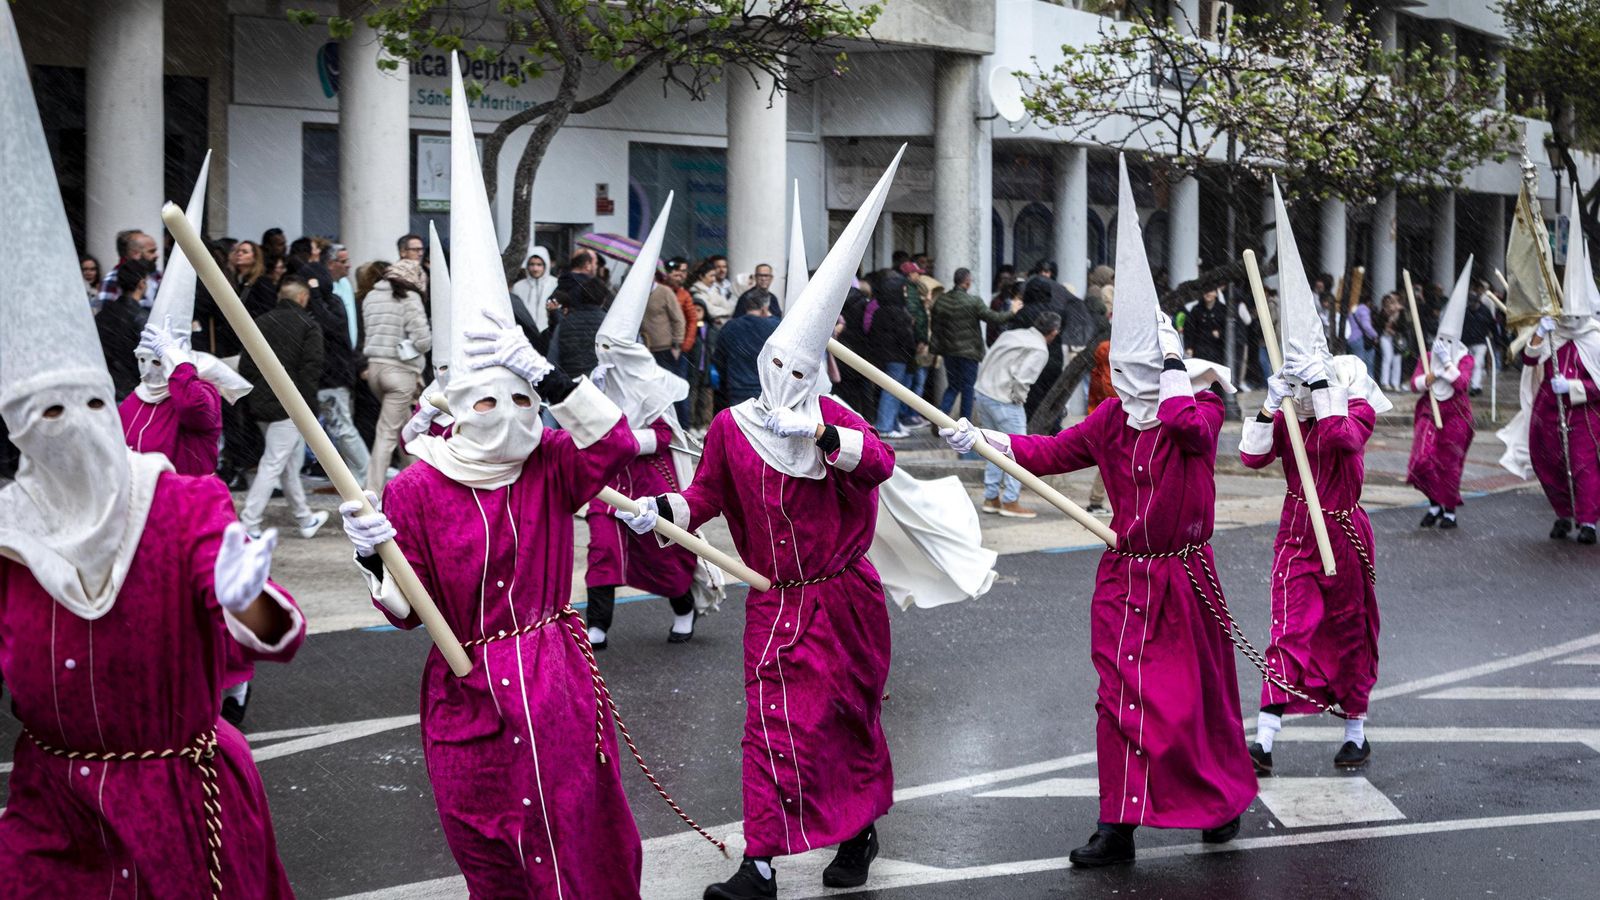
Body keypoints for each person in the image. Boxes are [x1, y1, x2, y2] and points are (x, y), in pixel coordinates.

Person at [0, 12, 306, 888]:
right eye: (44, 414)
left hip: (175, 796)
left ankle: (230, 693)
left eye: (86, 403)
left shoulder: (179, 500)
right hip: (52, 806)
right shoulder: (13, 530)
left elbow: (279, 623)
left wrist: (243, 600)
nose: (74, 426)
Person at [340, 63, 652, 894]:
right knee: (491, 846)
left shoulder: (549, 463)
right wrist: (375, 561)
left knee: (577, 831)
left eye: (521, 398)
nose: (509, 413)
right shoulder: (414, 489)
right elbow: (409, 616)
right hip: (466, 691)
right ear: (451, 405)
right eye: (490, 397)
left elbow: (616, 442)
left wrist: (548, 377)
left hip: (555, 675)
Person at [942, 157, 1253, 868]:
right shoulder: (1112, 421)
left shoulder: (1195, 408)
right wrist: (983, 440)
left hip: (1184, 577)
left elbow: (1195, 435)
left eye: (1151, 364)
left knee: (1188, 704)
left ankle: (1220, 800)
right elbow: (1047, 453)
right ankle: (1119, 822)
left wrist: (1178, 375)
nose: (1136, 378)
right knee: (1120, 700)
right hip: (1124, 575)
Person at [617, 151, 904, 899]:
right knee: (774, 727)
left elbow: (879, 465)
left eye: (801, 374)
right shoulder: (734, 428)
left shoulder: (835, 421)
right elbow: (705, 496)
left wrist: (819, 437)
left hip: (845, 600)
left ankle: (858, 827)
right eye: (779, 365)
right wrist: (661, 513)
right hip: (775, 600)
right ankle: (762, 862)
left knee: (846, 723)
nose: (786, 382)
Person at [1240, 181, 1385, 775]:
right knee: (1290, 628)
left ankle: (1355, 729)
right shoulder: (1293, 411)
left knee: (1352, 632)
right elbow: (1252, 459)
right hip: (1298, 531)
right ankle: (1265, 739)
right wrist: (1271, 404)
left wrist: (1324, 394)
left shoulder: (1354, 405)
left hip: (1347, 533)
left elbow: (1343, 441)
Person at [583, 199, 708, 649]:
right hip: (607, 481)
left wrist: (619, 441)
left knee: (665, 555)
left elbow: (662, 436)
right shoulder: (597, 382)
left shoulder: (650, 385)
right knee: (602, 551)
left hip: (649, 478)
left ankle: (683, 607)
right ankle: (598, 625)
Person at [237, 279, 331, 540]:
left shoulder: (261, 322)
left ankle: (305, 519)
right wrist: (307, 408)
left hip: (262, 402)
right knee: (275, 463)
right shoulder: (309, 325)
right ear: (302, 297)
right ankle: (249, 522)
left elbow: (246, 365)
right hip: (291, 404)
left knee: (287, 463)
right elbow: (311, 369)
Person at [1408, 261, 1477, 529]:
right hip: (1429, 410)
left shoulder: (1465, 358)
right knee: (1424, 459)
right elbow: (1414, 385)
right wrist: (1430, 375)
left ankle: (1448, 510)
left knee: (1450, 462)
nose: (1445, 343)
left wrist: (1448, 364)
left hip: (1457, 414)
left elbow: (1462, 383)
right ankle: (1433, 503)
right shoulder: (1428, 356)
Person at [971, 312, 1058, 518]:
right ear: (1053, 332)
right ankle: (1010, 500)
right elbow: (1022, 379)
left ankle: (991, 496)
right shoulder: (1039, 348)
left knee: (992, 448)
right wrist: (1020, 398)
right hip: (1005, 400)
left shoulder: (1012, 334)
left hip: (983, 392)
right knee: (1017, 451)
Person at [361, 258, 432, 494]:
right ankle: (372, 493)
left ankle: (416, 486)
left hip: (374, 369)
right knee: (386, 436)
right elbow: (422, 341)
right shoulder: (409, 299)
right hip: (400, 373)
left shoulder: (371, 296)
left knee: (405, 430)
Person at [932, 266, 1019, 421]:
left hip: (949, 351)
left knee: (953, 386)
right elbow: (994, 318)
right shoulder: (973, 302)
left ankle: (939, 416)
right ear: (966, 283)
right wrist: (1012, 312)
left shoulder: (942, 301)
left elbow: (936, 327)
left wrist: (936, 347)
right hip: (969, 353)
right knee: (968, 388)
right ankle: (965, 423)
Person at [864, 267, 918, 438]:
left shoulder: (880, 311)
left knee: (890, 390)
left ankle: (892, 424)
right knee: (892, 391)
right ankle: (886, 426)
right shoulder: (899, 313)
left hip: (883, 356)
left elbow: (873, 333)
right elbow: (905, 337)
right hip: (897, 357)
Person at [713, 290, 781, 410]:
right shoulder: (776, 327)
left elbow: (719, 361)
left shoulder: (730, 327)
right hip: (767, 393)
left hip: (736, 391)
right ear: (765, 307)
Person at [95, 257, 152, 400]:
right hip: (134, 392)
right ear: (141, 283)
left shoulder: (103, 315)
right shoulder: (141, 317)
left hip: (107, 389)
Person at [95, 228, 161, 312]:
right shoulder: (112, 281)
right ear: (135, 254)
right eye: (151, 251)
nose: (157, 255)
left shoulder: (156, 275)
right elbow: (108, 319)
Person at [643, 263, 687, 375]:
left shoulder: (665, 292)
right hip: (644, 348)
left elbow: (679, 319)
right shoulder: (637, 293)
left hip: (665, 349)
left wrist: (677, 345)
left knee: (666, 383)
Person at [1462, 279, 1499, 396]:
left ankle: (1476, 386)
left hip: (1480, 341)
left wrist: (1497, 338)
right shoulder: (1466, 311)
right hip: (1468, 342)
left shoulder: (1484, 311)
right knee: (1470, 364)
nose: (1472, 305)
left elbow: (1492, 325)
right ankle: (1473, 384)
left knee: (1477, 363)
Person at [510, 247, 556, 334]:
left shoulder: (555, 284)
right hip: (524, 333)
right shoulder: (518, 286)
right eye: (532, 264)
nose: (535, 269)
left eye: (539, 265)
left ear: (546, 265)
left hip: (548, 333)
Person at [1183, 287, 1228, 363]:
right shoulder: (1196, 309)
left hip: (1217, 350)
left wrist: (1220, 333)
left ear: (1216, 293)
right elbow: (1189, 329)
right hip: (1199, 349)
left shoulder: (1223, 310)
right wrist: (1189, 347)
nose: (1208, 294)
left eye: (1211, 291)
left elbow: (1228, 330)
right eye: (1206, 291)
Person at [1377, 292, 1404, 390]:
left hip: (1396, 338)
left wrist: (1398, 314)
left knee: (1397, 359)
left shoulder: (1400, 313)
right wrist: (1387, 325)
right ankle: (1385, 382)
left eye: (1392, 302)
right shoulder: (1382, 313)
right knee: (1387, 358)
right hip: (1385, 337)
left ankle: (1395, 383)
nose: (1391, 304)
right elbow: (1379, 324)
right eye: (1388, 302)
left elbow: (1403, 326)